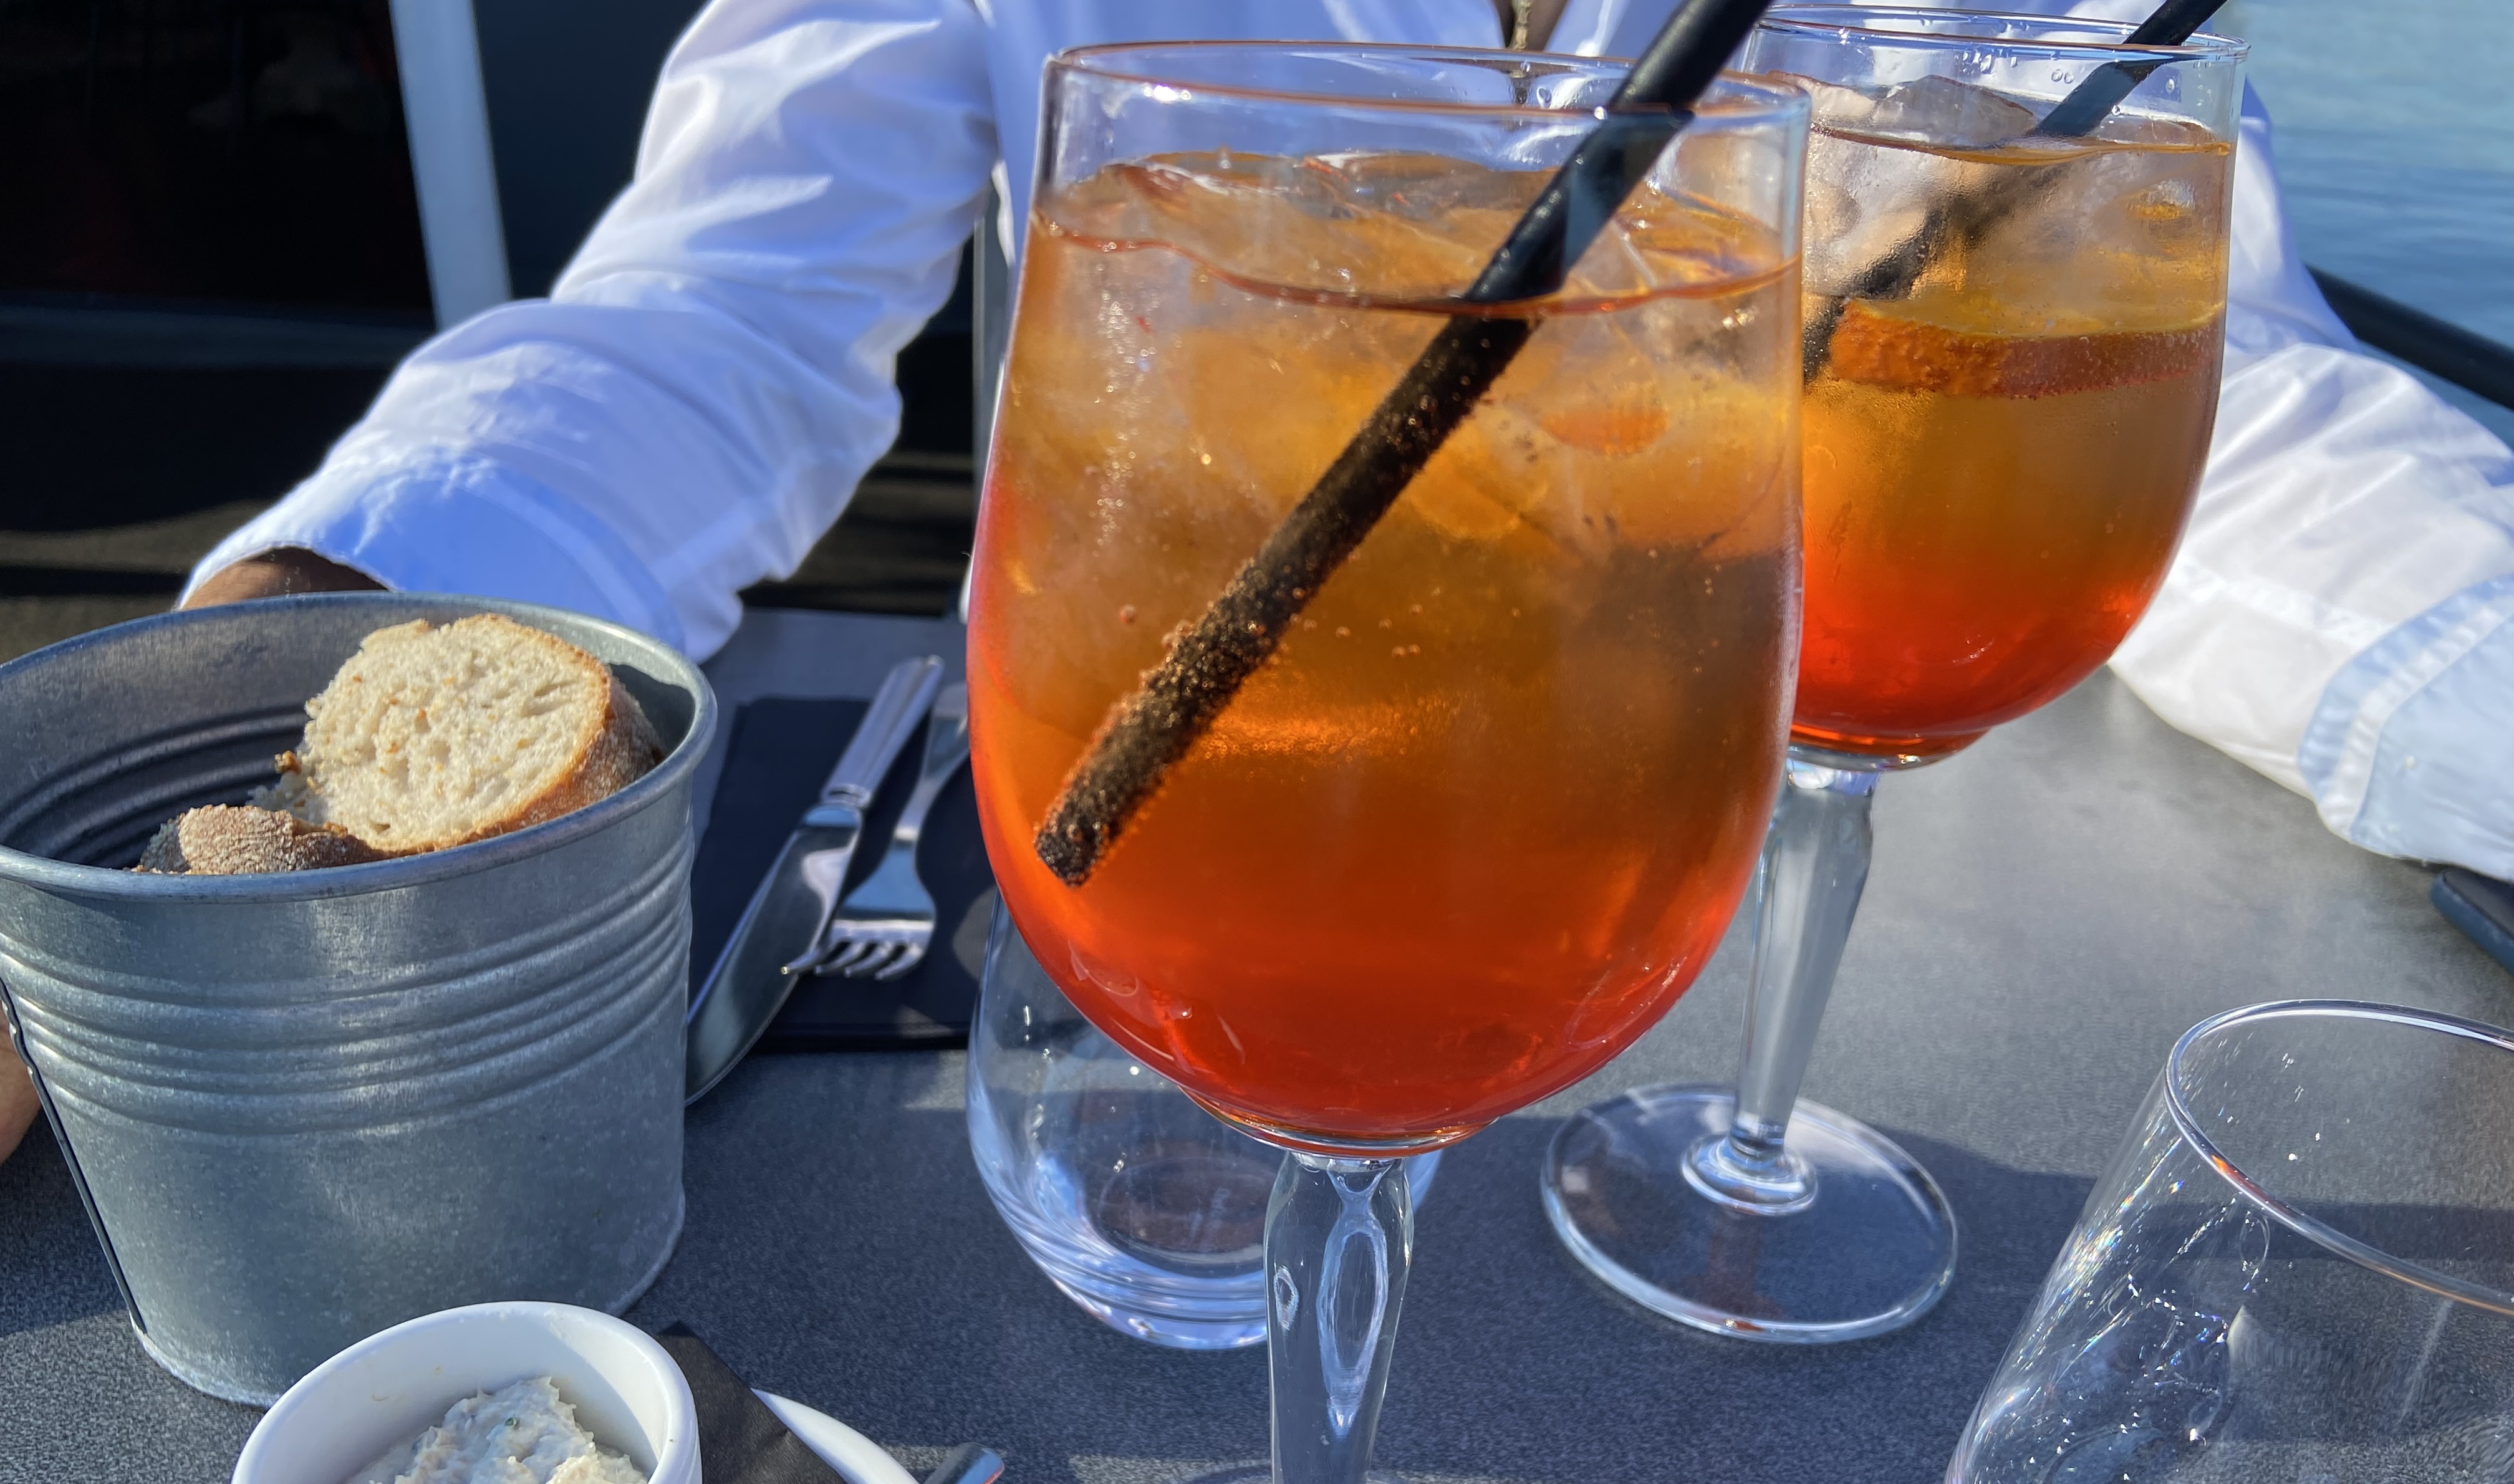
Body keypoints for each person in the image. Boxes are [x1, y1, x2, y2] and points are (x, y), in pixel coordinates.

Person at [6, 0, 2507, 1167]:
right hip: (1154, 902)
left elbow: (2205, 388)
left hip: (1715, 914)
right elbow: (718, 314)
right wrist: (303, 654)